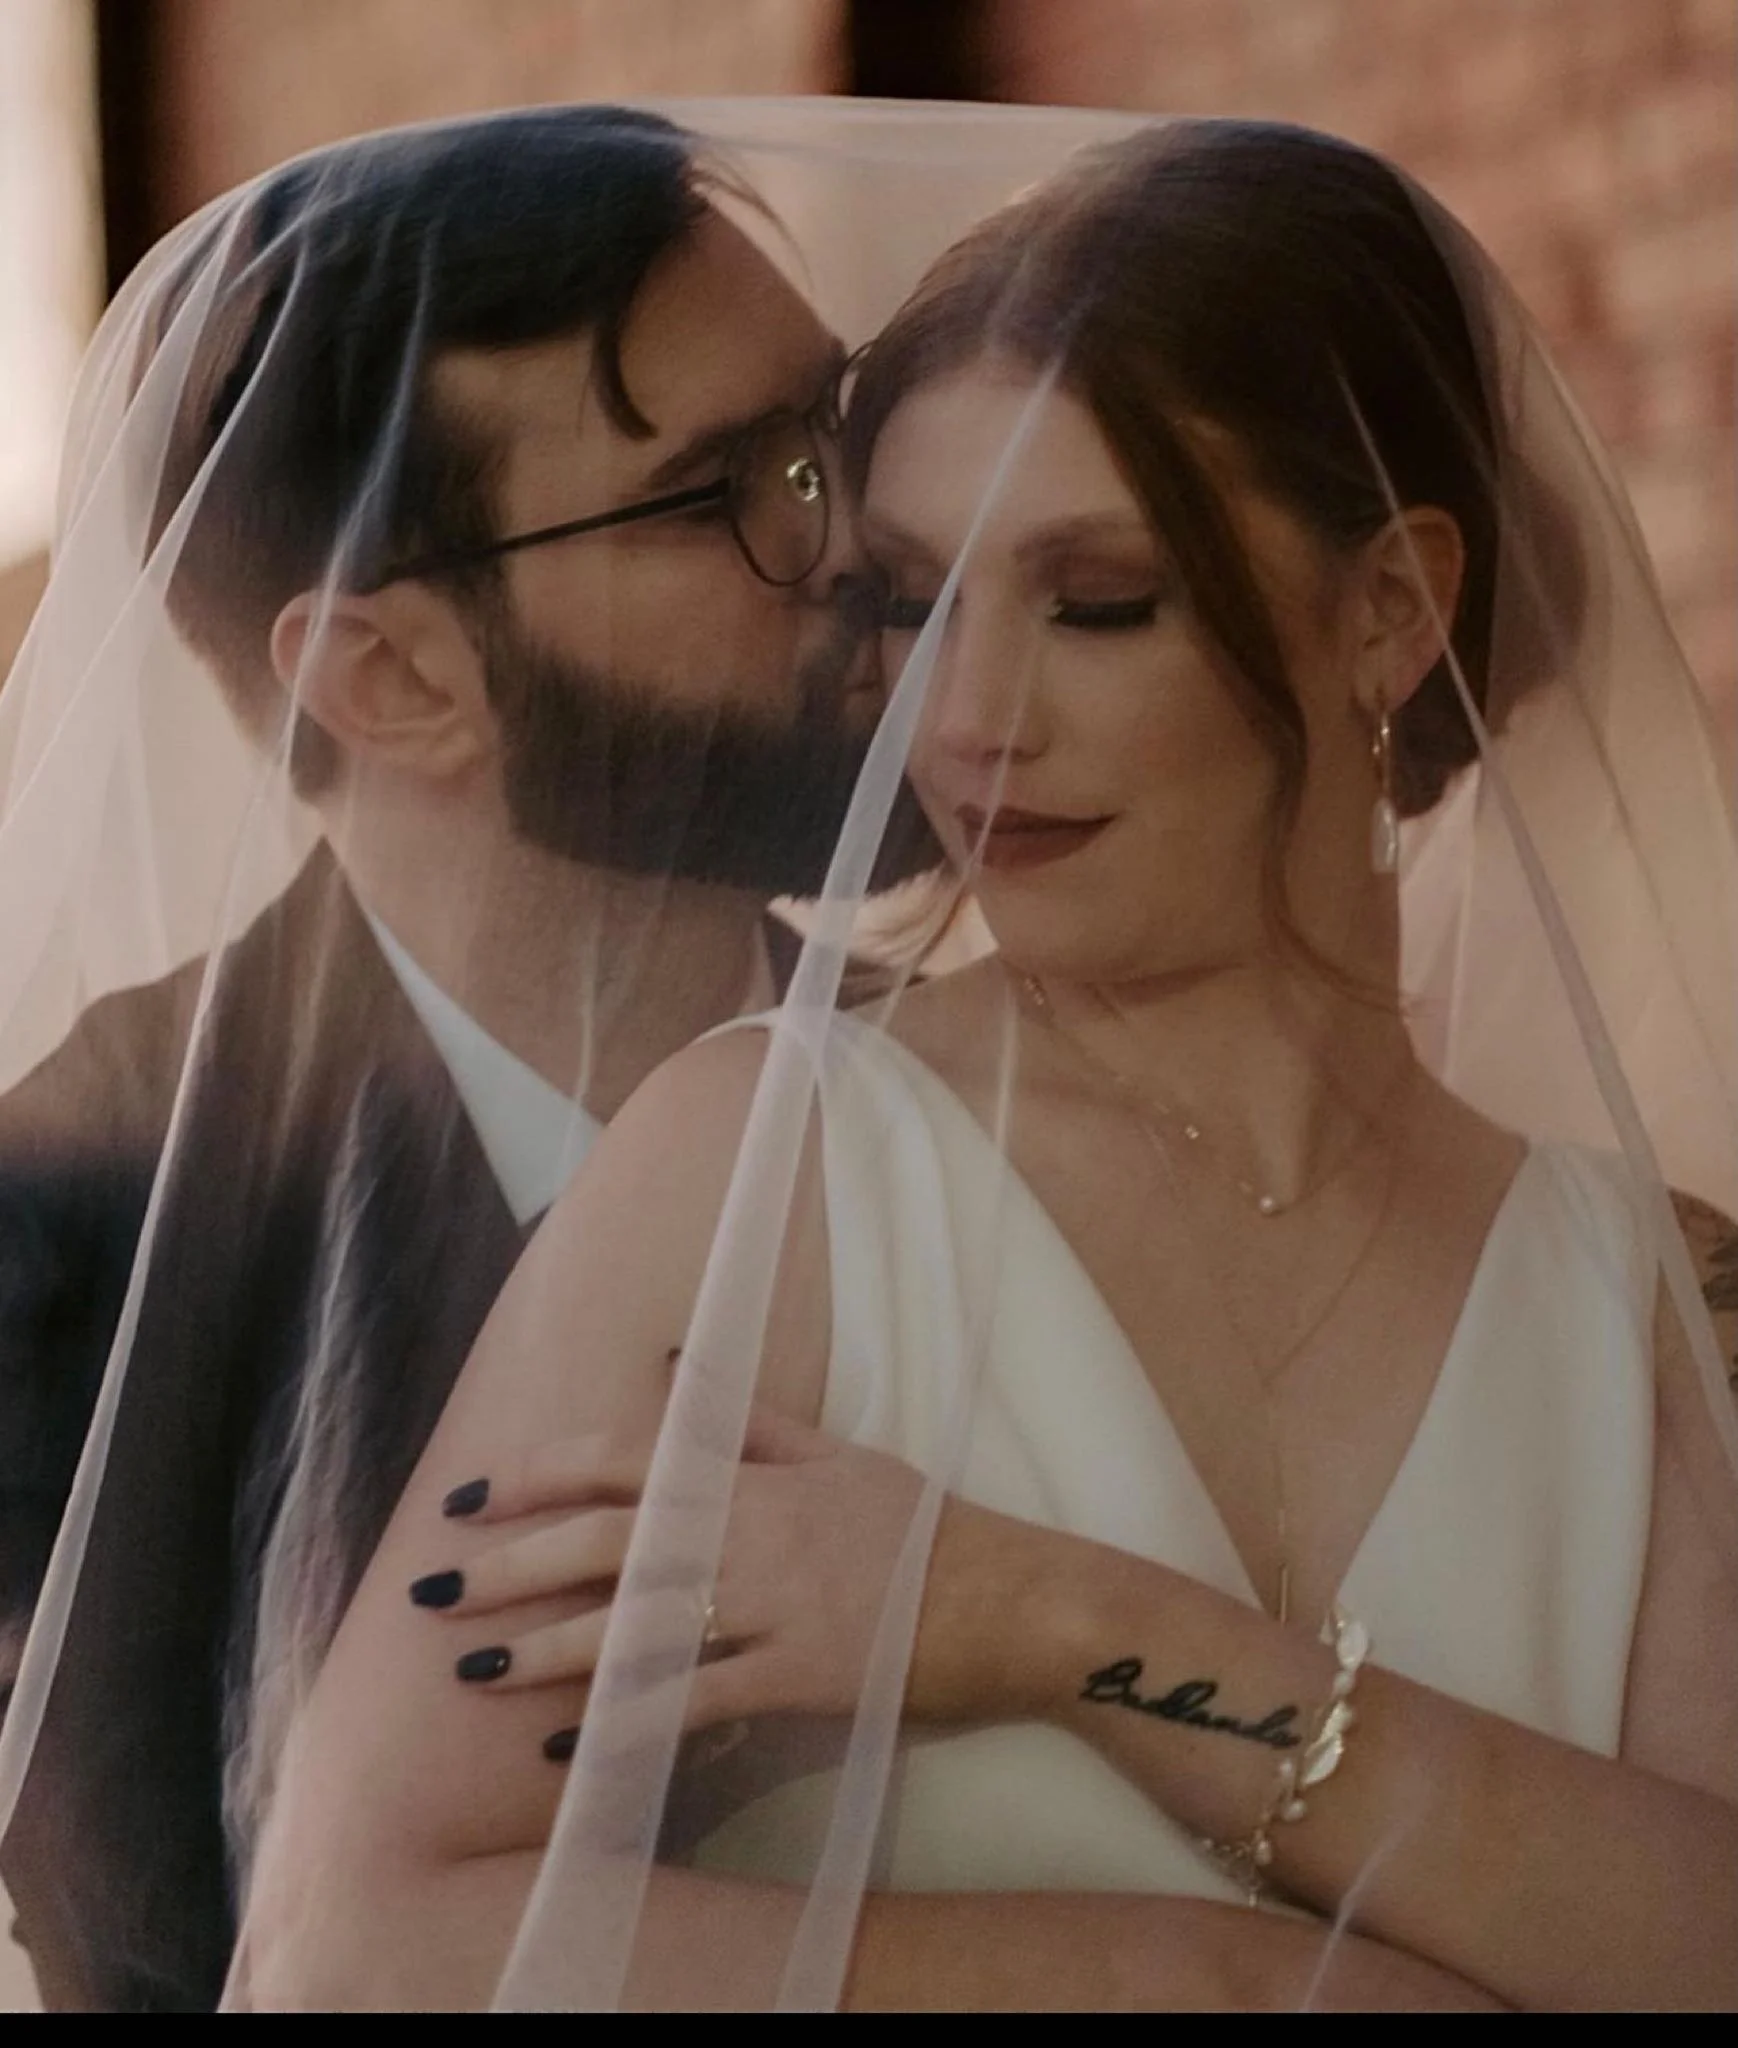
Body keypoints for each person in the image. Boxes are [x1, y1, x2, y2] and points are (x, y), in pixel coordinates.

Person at [71, 114, 1738, 2010]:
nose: (961, 720)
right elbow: (349, 1955)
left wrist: (1047, 1620)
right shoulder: (762, 1167)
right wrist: (1200, 1984)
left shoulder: (1649, 1290)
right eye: (907, 605)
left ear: (1387, 613)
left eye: (1094, 603)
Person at [0, 106, 908, 2012]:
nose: (864, 553)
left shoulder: (1005, 1096)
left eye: (835, 440)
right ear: (385, 677)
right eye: (725, 493)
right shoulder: (57, 1227)